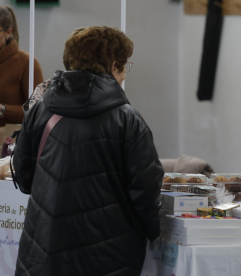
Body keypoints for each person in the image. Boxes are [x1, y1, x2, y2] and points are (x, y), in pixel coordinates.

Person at [13, 26, 163, 275]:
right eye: (125, 66)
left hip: (43, 250)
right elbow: (145, 191)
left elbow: (25, 178)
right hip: (109, 257)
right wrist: (153, 233)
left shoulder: (39, 110)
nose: (125, 75)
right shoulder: (128, 121)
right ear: (114, 65)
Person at [0, 5, 43, 125]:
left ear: (8, 32)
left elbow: (38, 111)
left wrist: (3, 110)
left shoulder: (27, 63)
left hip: (10, 140)